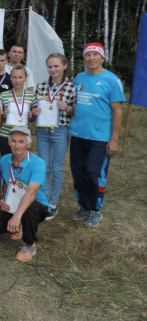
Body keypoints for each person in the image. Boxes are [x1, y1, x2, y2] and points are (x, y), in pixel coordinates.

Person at [69, 43, 125, 227]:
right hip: (78, 134)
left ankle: (95, 209)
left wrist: (114, 140)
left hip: (100, 138)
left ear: (102, 57)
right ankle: (84, 205)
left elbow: (117, 112)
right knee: (78, 171)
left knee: (94, 172)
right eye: (88, 55)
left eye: (95, 54)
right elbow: (76, 105)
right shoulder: (79, 78)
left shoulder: (112, 80)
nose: (91, 58)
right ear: (83, 58)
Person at [0, 127, 50, 261]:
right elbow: (6, 182)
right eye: (13, 141)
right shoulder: (4, 160)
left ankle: (29, 244)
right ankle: (17, 227)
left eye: (21, 142)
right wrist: (4, 199)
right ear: (8, 143)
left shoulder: (38, 163)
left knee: (29, 208)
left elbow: (32, 192)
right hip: (13, 202)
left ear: (29, 144)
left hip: (36, 205)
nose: (16, 145)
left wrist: (17, 215)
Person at [31, 53, 76, 220]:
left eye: (56, 66)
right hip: (43, 131)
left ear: (64, 66)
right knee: (44, 167)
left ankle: (53, 203)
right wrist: (35, 112)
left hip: (60, 130)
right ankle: (44, 201)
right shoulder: (41, 87)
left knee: (56, 167)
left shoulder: (71, 88)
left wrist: (68, 108)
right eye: (50, 66)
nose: (53, 69)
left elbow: (76, 112)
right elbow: (34, 111)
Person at [0, 65, 38, 157]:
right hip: (6, 135)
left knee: (21, 162)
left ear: (26, 78)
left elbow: (33, 119)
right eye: (14, 77)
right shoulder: (3, 95)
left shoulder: (32, 96)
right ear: (10, 78)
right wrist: (3, 115)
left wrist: (32, 115)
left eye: (20, 77)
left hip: (23, 136)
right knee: (6, 161)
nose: (17, 80)